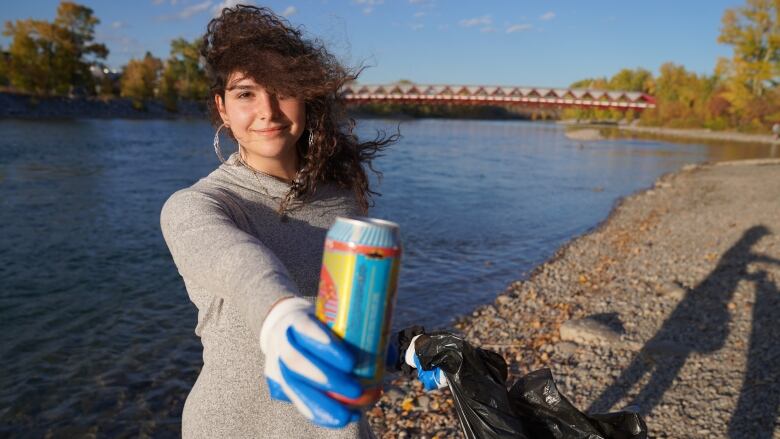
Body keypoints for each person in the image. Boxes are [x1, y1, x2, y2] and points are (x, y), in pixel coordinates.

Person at [159, 5, 397, 438]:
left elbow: (348, 323)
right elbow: (238, 263)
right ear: (223, 108)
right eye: (246, 93)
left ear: (305, 97)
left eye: (282, 89)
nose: (267, 109)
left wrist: (402, 347)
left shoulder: (342, 200)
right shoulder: (199, 205)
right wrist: (280, 315)